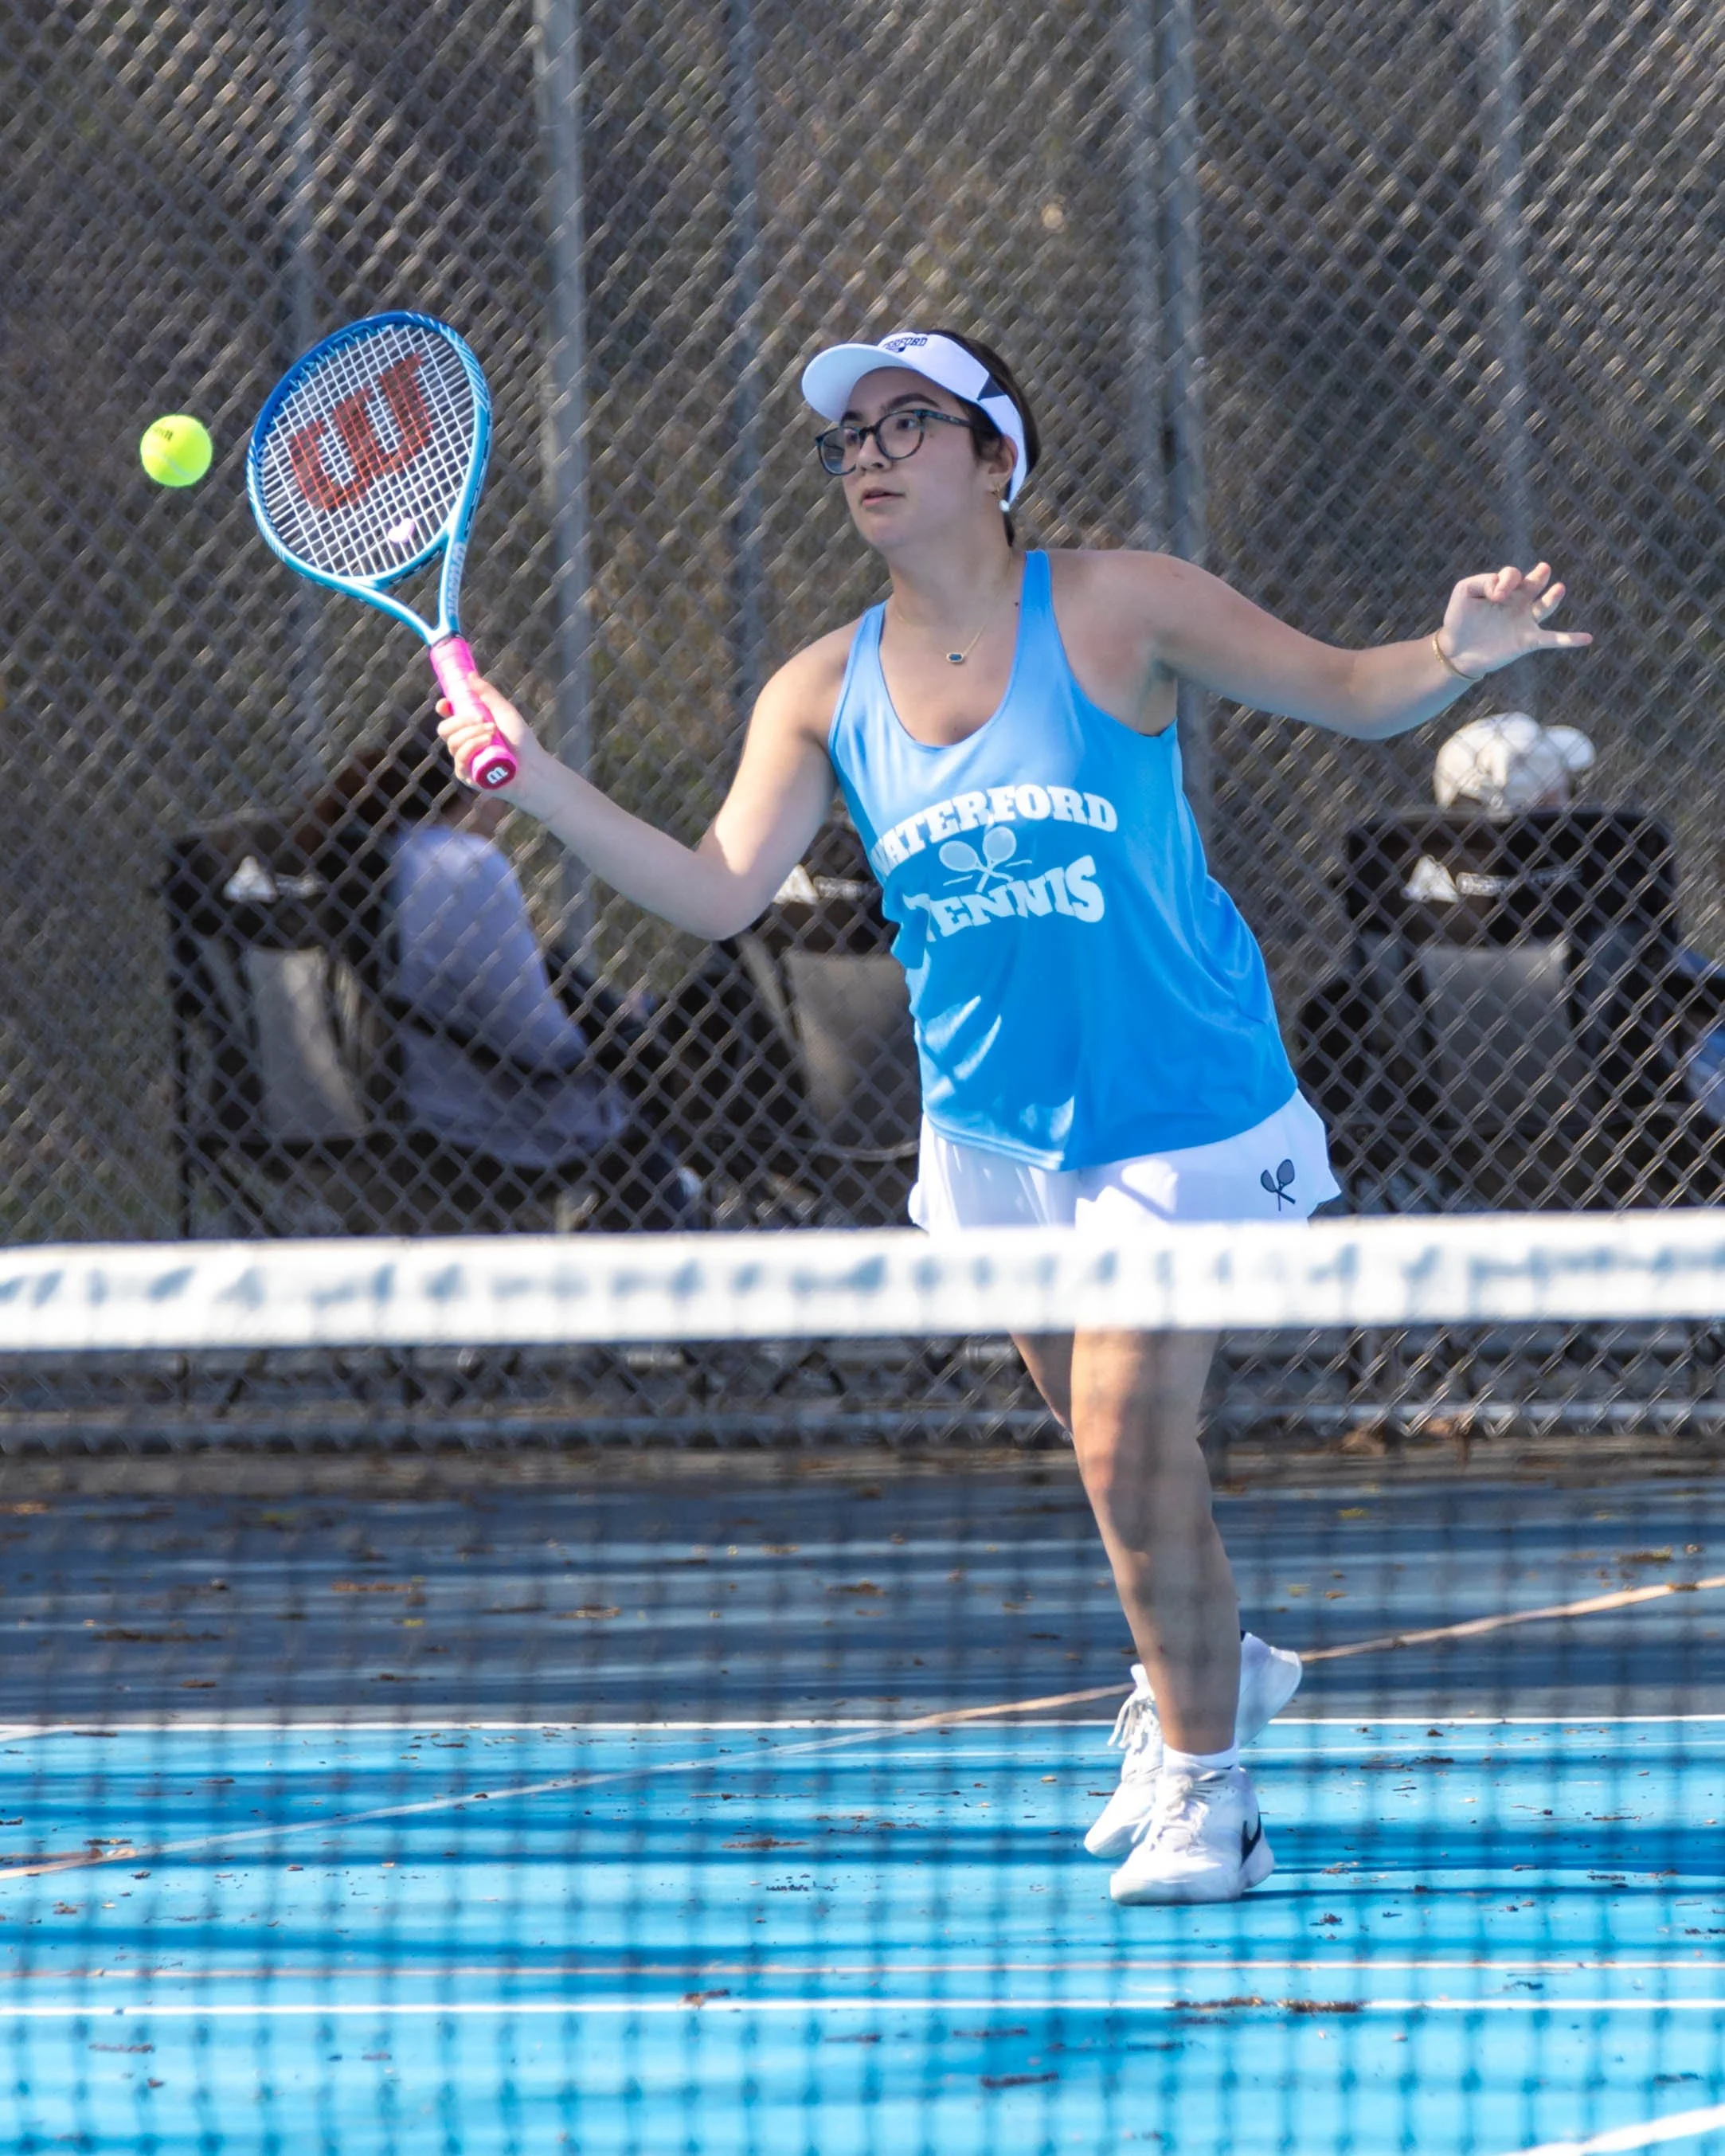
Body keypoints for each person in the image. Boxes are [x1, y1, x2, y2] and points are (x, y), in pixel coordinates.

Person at [436, 325, 1591, 1901]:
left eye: (908, 423)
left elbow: (1347, 692)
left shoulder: (1119, 607)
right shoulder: (820, 688)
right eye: (848, 435)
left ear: (996, 460)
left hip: (1182, 1110)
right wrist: (541, 781)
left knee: (1127, 1443)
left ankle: (1212, 1790)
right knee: (1120, 1453)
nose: (866, 451)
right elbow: (716, 894)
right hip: (992, 1137)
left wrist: (1457, 655)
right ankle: (1212, 1662)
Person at [298, 723, 693, 1230]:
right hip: (480, 1118)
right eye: (498, 783)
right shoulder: (465, 864)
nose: (505, 807)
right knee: (645, 1114)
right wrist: (615, 1038)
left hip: (388, 1105)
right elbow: (539, 1041)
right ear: (471, 786)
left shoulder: (375, 858)